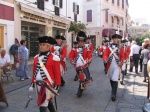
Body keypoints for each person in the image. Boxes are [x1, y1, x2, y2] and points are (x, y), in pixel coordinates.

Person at [29, 36, 61, 112]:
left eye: (43, 44)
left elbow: (57, 73)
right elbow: (34, 72)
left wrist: (57, 86)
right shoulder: (36, 57)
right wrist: (32, 84)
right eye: (40, 45)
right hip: (38, 85)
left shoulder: (55, 58)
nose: (41, 46)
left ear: (48, 46)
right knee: (47, 101)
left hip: (47, 86)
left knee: (42, 104)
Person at [68, 31, 93, 97]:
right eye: (79, 42)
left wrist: (89, 61)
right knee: (82, 78)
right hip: (77, 66)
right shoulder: (74, 50)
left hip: (84, 66)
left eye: (82, 42)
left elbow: (90, 57)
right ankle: (82, 87)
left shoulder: (87, 49)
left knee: (82, 78)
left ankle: (80, 91)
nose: (80, 43)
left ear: (84, 42)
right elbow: (70, 56)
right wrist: (71, 61)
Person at [103, 34, 124, 101]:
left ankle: (113, 94)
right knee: (111, 78)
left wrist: (122, 61)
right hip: (110, 65)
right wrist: (105, 59)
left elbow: (122, 56)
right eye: (114, 38)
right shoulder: (108, 47)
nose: (115, 39)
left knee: (115, 78)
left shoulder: (120, 47)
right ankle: (113, 90)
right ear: (112, 39)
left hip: (117, 65)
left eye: (116, 39)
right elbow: (105, 55)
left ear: (118, 39)